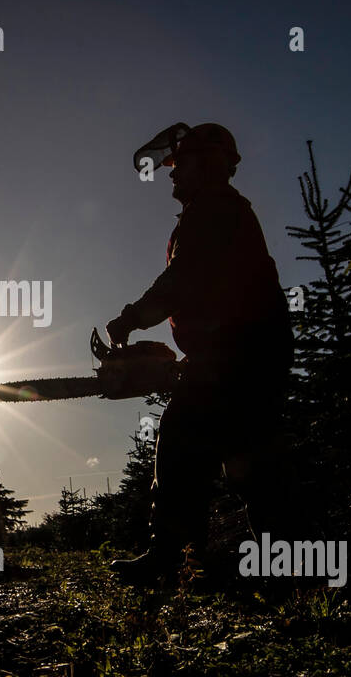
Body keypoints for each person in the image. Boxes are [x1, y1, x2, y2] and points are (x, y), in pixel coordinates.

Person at [108, 122, 295, 585]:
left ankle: (169, 558)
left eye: (180, 165)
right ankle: (283, 566)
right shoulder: (218, 211)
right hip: (245, 352)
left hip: (241, 352)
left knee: (181, 445)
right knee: (250, 460)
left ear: (207, 165)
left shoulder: (212, 210)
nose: (171, 175)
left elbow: (183, 280)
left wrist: (130, 318)